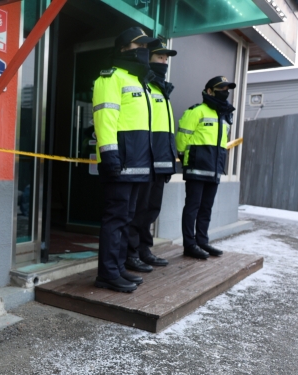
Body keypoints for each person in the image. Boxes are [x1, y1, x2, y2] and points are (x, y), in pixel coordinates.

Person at [92, 27, 156, 293]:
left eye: (146, 47)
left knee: (126, 218)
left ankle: (117, 269)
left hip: (137, 163)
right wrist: (110, 157)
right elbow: (105, 120)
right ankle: (107, 274)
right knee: (115, 218)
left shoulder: (140, 82)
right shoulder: (111, 78)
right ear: (122, 49)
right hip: (119, 162)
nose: (144, 51)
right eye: (137, 46)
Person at [125, 39, 177, 273]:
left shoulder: (163, 90)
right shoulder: (144, 85)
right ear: (148, 58)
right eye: (159, 57)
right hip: (146, 159)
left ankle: (144, 249)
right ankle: (131, 253)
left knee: (151, 209)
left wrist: (169, 162)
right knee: (138, 209)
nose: (164, 61)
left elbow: (166, 130)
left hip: (161, 161)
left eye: (166, 58)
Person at [176, 76, 236, 259]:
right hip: (196, 168)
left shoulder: (224, 115)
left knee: (206, 208)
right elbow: (181, 139)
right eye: (221, 88)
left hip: (214, 168)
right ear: (209, 91)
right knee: (192, 207)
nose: (225, 91)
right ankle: (189, 245)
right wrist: (185, 159)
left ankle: (202, 241)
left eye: (227, 88)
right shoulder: (197, 111)